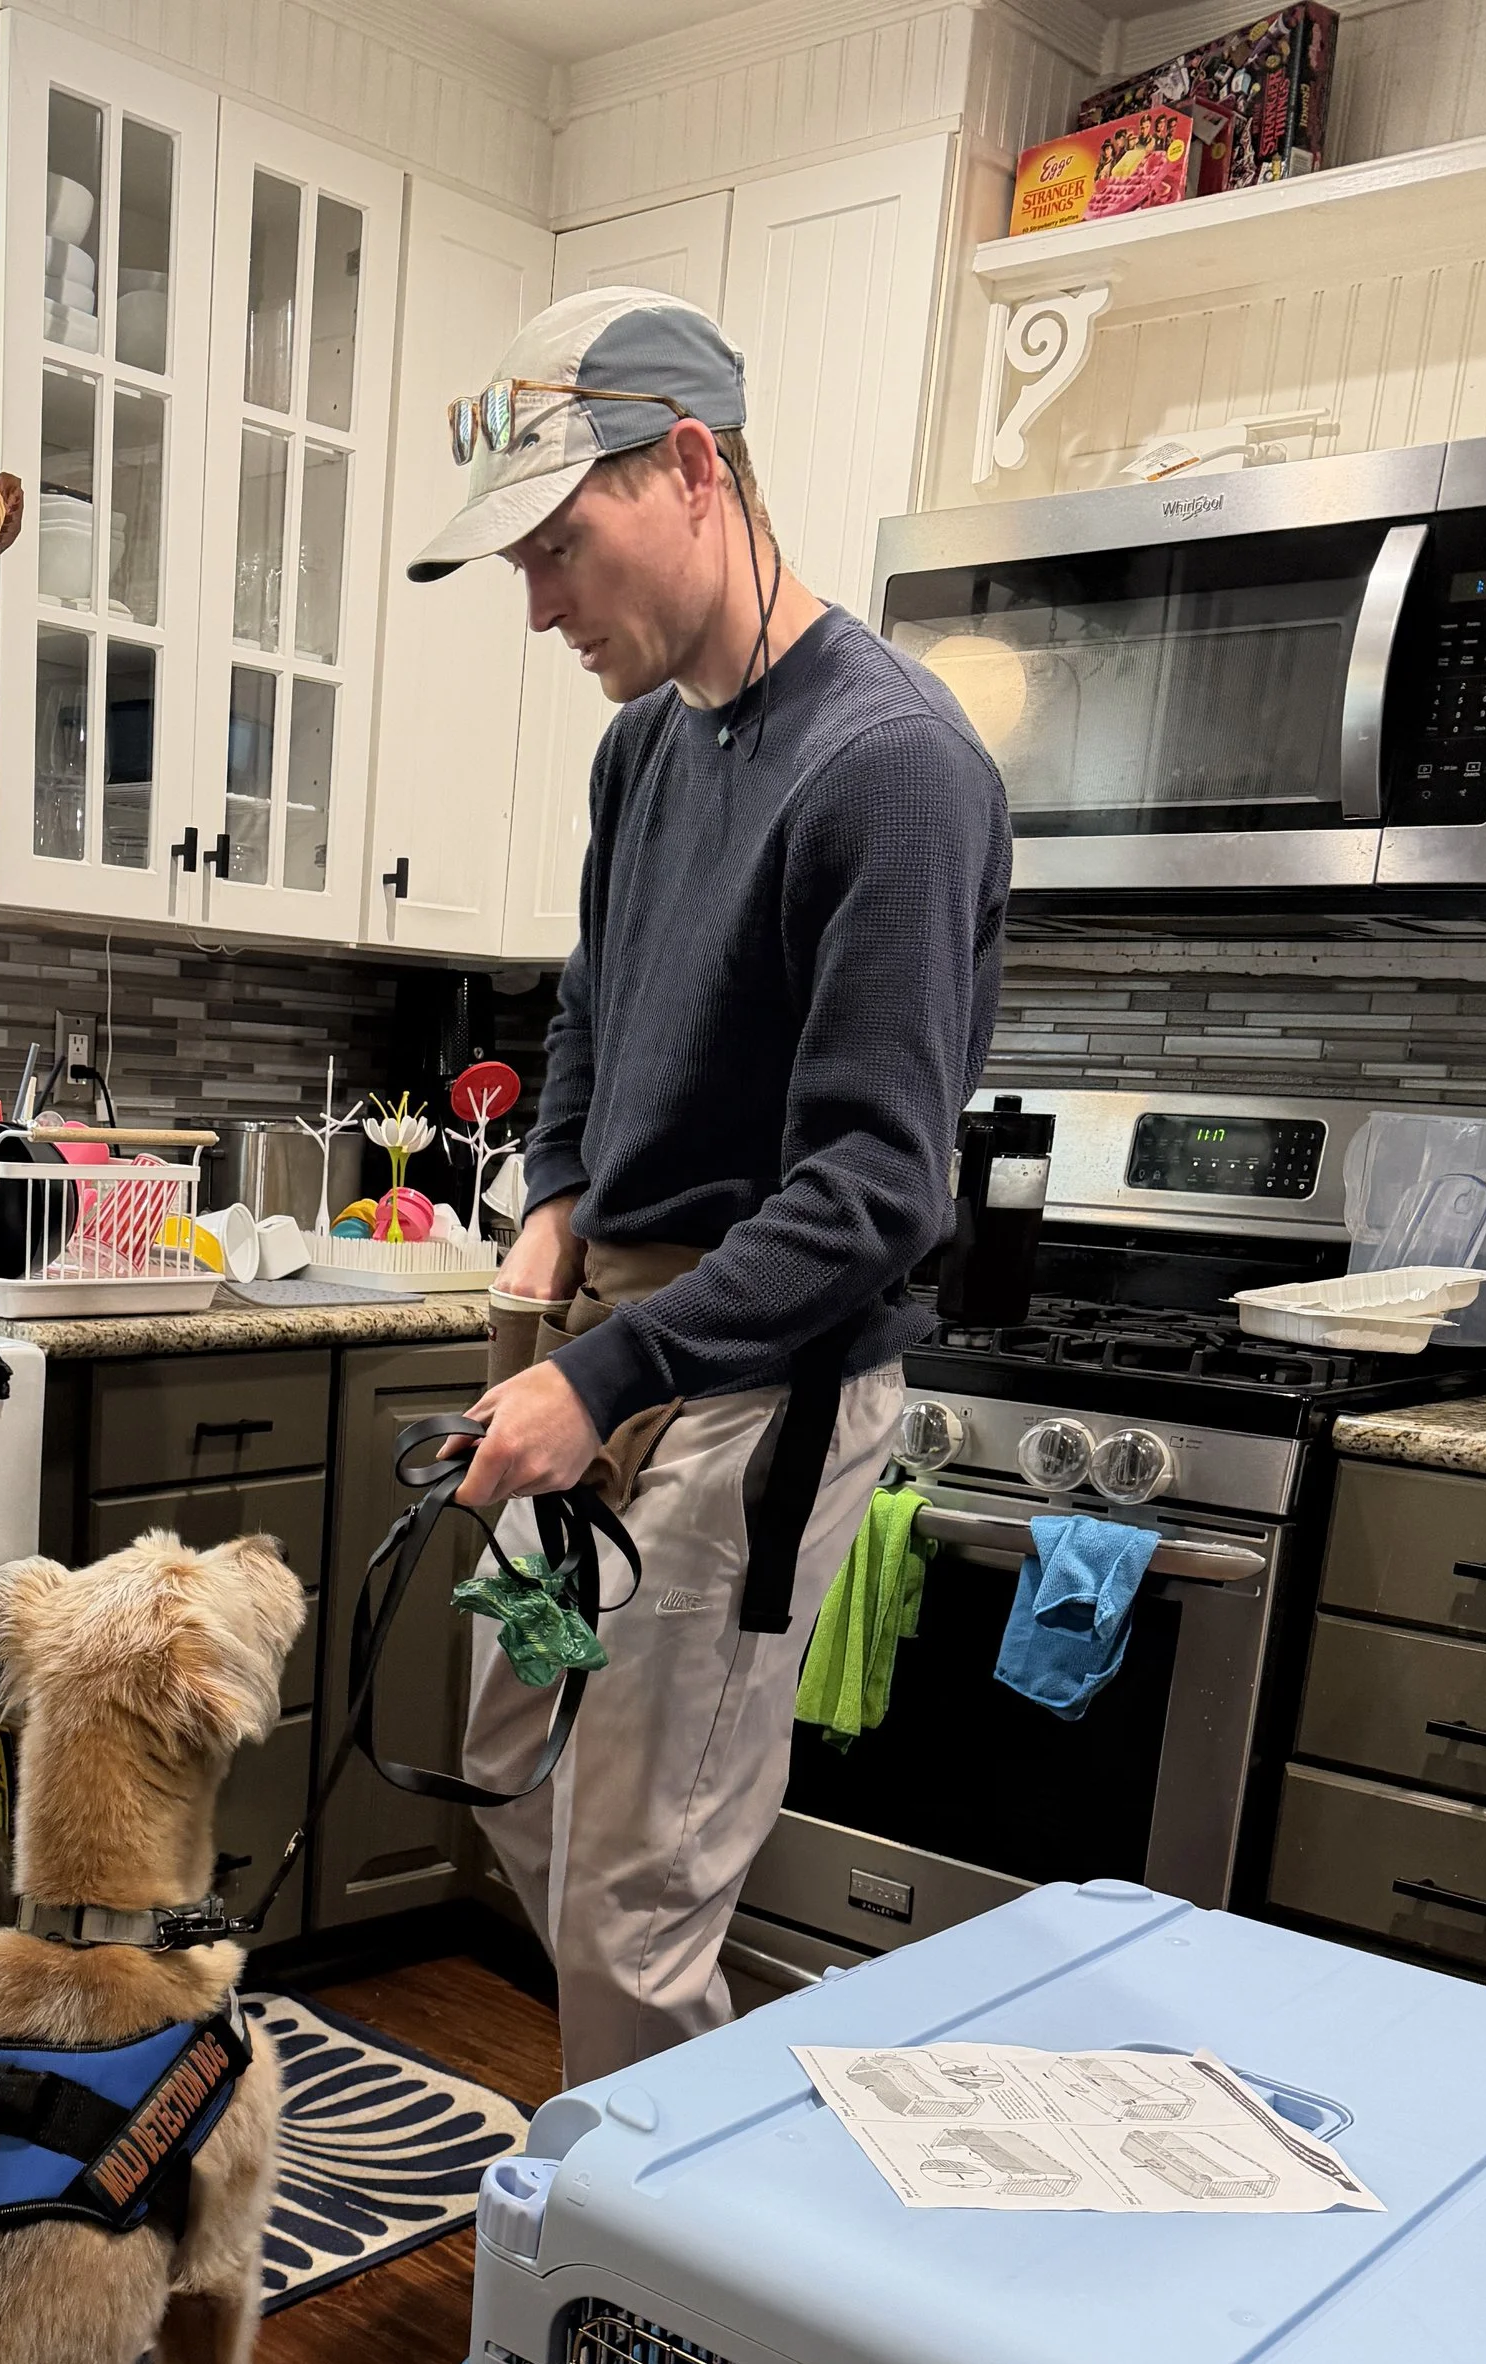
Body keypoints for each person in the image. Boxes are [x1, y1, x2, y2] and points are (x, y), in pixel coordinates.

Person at [409, 287, 1012, 2086]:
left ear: (690, 464)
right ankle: (685, 2206)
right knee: (506, 1769)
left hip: (763, 1380)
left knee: (637, 1901)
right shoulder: (647, 745)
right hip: (605, 1334)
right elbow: (590, 1006)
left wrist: (604, 1369)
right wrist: (553, 1199)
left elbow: (879, 1191)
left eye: (558, 546)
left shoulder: (893, 766)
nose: (536, 605)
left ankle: (634, 2331)